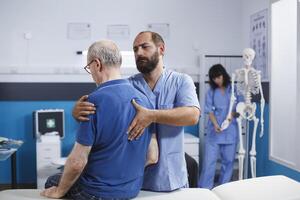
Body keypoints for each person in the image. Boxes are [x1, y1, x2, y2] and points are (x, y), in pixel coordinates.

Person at [72, 31, 201, 191]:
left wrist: (151, 115)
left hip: (171, 179)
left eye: (144, 47)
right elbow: (101, 112)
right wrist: (77, 112)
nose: (138, 52)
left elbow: (192, 116)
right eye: (135, 49)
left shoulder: (181, 81)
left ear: (161, 49)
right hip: (133, 181)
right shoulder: (128, 85)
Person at [41, 40, 158, 200]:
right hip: (131, 190)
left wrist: (58, 192)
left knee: (53, 181)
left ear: (97, 64)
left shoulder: (93, 101)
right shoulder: (146, 101)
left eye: (89, 68)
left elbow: (77, 163)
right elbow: (153, 156)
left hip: (97, 193)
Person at [198, 64, 240, 189]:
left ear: (223, 75)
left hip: (230, 130)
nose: (217, 80)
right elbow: (209, 110)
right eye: (214, 78)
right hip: (214, 131)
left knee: (228, 162)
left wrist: (231, 115)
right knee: (209, 162)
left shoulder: (233, 89)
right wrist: (216, 124)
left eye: (218, 77)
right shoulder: (211, 91)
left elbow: (239, 107)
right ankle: (204, 189)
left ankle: (223, 188)